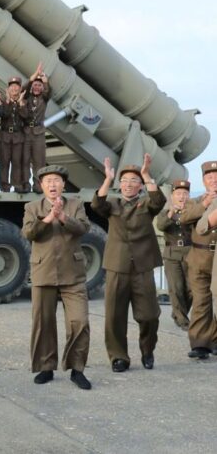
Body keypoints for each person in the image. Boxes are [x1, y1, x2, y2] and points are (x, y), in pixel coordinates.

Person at [21, 165, 92, 390]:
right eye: (48, 181)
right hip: (43, 271)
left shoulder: (76, 204)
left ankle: (77, 368)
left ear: (63, 184)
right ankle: (45, 367)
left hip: (73, 272)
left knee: (79, 321)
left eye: (57, 180)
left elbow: (83, 228)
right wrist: (49, 217)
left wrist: (62, 217)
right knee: (43, 322)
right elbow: (29, 233)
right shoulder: (33, 207)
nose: (52, 184)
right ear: (41, 185)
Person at [91, 155, 164, 372]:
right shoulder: (112, 204)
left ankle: (147, 350)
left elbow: (159, 201)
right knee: (115, 315)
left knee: (150, 315)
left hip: (142, 266)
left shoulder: (146, 204)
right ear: (119, 185)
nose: (129, 184)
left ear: (140, 185)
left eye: (134, 180)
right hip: (117, 266)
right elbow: (97, 204)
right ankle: (118, 357)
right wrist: (107, 179)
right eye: (124, 181)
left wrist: (147, 174)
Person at [179, 161, 217, 359]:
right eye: (209, 177)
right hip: (199, 257)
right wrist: (205, 203)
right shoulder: (195, 201)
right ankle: (200, 344)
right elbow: (183, 218)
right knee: (201, 300)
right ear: (203, 181)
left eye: (216, 176)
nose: (214, 180)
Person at [155, 180, 195, 330]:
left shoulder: (193, 213)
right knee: (176, 287)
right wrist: (171, 213)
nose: (182, 197)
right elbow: (161, 226)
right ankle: (183, 320)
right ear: (172, 196)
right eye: (178, 193)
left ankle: (178, 313)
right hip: (172, 255)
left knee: (191, 289)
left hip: (190, 254)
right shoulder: (165, 213)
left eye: (185, 193)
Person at [0, 77, 27, 192]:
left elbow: (26, 116)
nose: (14, 88)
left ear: (20, 88)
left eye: (16, 86)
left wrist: (21, 102)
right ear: (8, 89)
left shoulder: (24, 102)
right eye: (11, 86)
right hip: (4, 135)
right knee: (4, 162)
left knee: (17, 162)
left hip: (18, 136)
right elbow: (3, 114)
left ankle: (17, 185)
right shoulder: (3, 101)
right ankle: (4, 187)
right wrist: (7, 100)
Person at [23, 64, 50, 192]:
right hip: (26, 131)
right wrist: (34, 75)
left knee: (39, 160)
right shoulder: (27, 97)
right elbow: (25, 87)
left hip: (39, 132)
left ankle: (38, 185)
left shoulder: (44, 98)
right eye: (35, 84)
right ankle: (25, 184)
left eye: (39, 85)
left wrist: (46, 81)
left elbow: (48, 91)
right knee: (25, 159)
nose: (37, 87)